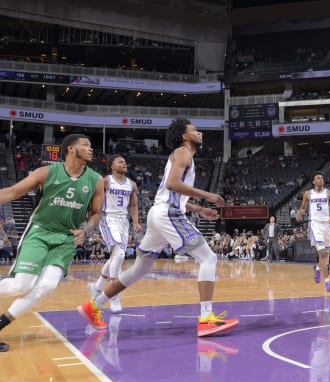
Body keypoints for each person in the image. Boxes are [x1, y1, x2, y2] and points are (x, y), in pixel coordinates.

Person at [77, 117, 239, 338]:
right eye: (195, 130)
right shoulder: (183, 153)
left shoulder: (182, 156)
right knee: (208, 259)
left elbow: (168, 191)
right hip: (168, 215)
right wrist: (207, 195)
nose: (200, 133)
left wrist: (199, 209)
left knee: (139, 269)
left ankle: (93, 306)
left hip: (159, 213)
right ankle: (206, 319)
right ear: (184, 135)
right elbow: (173, 184)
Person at [0, 134, 104, 352]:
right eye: (85, 145)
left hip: (66, 239)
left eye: (91, 145)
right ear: (70, 149)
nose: (90, 149)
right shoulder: (47, 172)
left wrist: (86, 229)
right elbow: (12, 192)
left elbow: (96, 214)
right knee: (21, 285)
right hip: (40, 231)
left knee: (47, 285)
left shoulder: (96, 180)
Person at [88, 155, 142, 314]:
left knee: (115, 257)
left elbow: (133, 205)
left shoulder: (132, 184)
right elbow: (95, 198)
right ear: (112, 166)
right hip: (108, 219)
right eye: (120, 161)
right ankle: (113, 295)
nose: (124, 163)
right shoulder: (106, 181)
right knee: (119, 256)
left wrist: (136, 221)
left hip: (123, 222)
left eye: (125, 161)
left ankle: (96, 287)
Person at [295, 172, 330, 292]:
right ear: (313, 182)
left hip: (327, 226)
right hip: (315, 226)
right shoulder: (308, 194)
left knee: (325, 254)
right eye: (318, 178)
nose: (321, 180)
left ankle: (317, 270)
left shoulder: (329, 193)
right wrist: (299, 214)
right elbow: (303, 208)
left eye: (322, 178)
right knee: (322, 254)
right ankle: (328, 283)